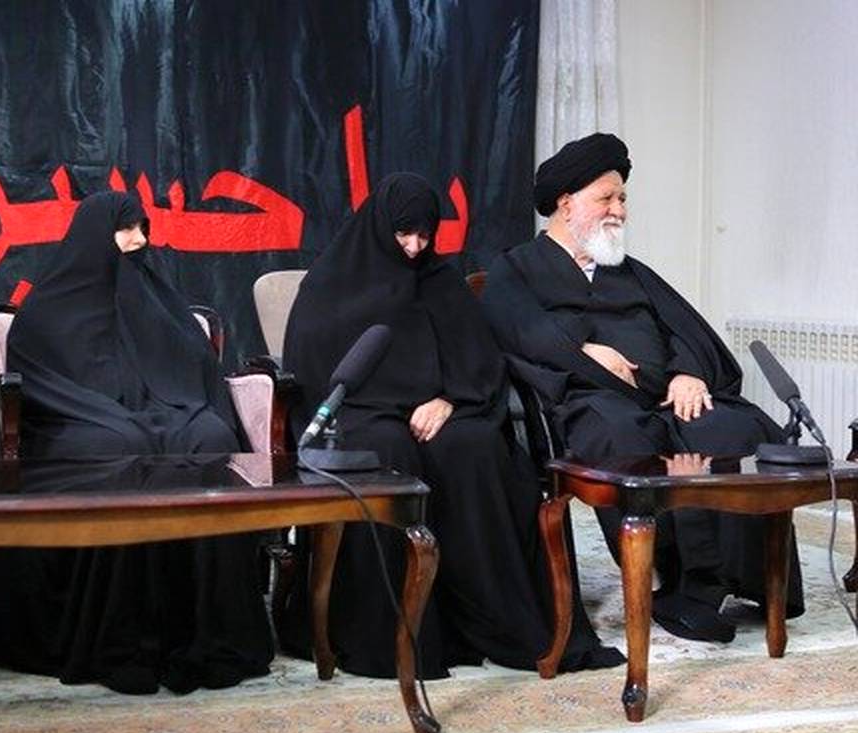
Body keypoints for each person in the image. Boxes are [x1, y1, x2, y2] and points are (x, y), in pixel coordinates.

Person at [278, 173, 624, 678]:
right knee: (387, 451)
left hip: (438, 410)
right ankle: (398, 636)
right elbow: (315, 375)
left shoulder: (440, 281)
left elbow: (478, 362)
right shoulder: (331, 284)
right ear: (379, 227)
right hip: (361, 416)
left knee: (472, 446)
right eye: (404, 234)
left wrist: (448, 400)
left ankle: (489, 622)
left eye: (425, 235)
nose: (415, 247)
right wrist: (397, 407)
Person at [481, 133, 804, 643]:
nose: (620, 210)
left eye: (623, 198)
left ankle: (748, 582)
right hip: (586, 400)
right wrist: (583, 351)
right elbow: (515, 333)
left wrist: (687, 373)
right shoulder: (516, 268)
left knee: (732, 430)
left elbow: (686, 332)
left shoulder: (631, 272)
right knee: (624, 439)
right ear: (566, 203)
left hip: (664, 396)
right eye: (607, 198)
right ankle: (669, 578)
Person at [0, 190, 273, 695]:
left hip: (165, 412)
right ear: (95, 235)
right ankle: (119, 636)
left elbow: (197, 369)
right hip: (75, 424)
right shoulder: (46, 312)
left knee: (208, 436)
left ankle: (206, 631)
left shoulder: (162, 303)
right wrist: (114, 416)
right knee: (117, 444)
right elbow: (43, 393)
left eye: (142, 228)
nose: (138, 241)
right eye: (126, 229)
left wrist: (171, 410)